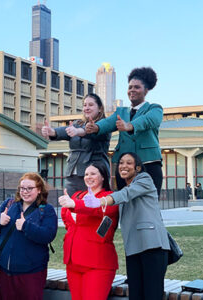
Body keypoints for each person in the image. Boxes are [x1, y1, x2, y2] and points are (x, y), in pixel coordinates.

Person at [84, 152, 170, 300]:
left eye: (129, 163)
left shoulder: (144, 179)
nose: (124, 166)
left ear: (137, 168)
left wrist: (101, 200)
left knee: (152, 295)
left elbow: (126, 194)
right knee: (135, 295)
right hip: (133, 249)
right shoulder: (124, 190)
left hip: (152, 246)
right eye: (121, 163)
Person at [85, 67, 163, 196]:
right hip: (125, 168)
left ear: (146, 90)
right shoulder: (121, 112)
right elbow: (108, 123)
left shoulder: (154, 108)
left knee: (149, 205)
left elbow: (150, 120)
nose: (132, 90)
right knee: (124, 203)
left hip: (149, 164)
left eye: (137, 87)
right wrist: (96, 127)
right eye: (130, 87)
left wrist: (129, 126)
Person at [0, 172, 58, 300]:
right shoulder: (9, 204)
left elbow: (48, 235)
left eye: (30, 188)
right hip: (3, 271)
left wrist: (26, 226)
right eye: (22, 188)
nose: (25, 191)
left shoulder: (46, 210)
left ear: (39, 189)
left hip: (31, 273)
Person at [58, 162, 119, 300]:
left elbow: (95, 209)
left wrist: (74, 204)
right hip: (73, 262)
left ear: (103, 177)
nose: (88, 177)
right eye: (86, 174)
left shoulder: (109, 198)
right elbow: (66, 216)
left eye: (93, 173)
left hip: (97, 264)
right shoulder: (78, 195)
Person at [41, 93, 111, 197]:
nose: (86, 108)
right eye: (85, 105)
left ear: (100, 108)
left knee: (90, 206)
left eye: (90, 105)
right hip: (72, 173)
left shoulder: (104, 125)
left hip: (93, 173)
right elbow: (65, 131)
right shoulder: (77, 123)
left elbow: (90, 132)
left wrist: (78, 131)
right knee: (71, 206)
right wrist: (52, 132)